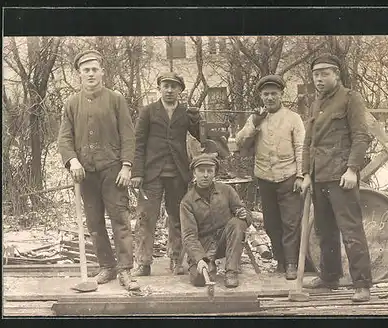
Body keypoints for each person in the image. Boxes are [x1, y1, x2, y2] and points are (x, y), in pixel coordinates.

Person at [58, 50, 139, 291]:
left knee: (120, 220)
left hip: (113, 171)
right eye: (86, 70)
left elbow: (128, 134)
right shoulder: (71, 104)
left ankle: (125, 270)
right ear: (79, 74)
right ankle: (107, 267)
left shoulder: (116, 99)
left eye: (95, 69)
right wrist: (72, 161)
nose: (91, 73)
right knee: (94, 222)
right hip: (85, 173)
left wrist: (126, 166)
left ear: (102, 72)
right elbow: (64, 139)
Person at [300, 53, 373, 302]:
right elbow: (309, 142)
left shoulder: (350, 99)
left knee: (351, 231)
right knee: (325, 231)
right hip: (319, 176)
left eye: (324, 74)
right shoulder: (315, 103)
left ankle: (362, 284)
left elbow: (361, 136)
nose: (319, 79)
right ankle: (330, 276)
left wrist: (352, 169)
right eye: (315, 74)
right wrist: (306, 173)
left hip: (342, 177)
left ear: (336, 75)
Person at [130, 72, 201, 276]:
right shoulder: (148, 111)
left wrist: (196, 120)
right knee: (145, 217)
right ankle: (143, 263)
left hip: (178, 174)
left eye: (173, 86)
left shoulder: (185, 113)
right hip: (151, 174)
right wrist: (137, 172)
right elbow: (139, 143)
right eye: (165, 86)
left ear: (180, 90)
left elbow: (199, 135)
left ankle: (176, 260)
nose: (169, 90)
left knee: (177, 218)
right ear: (159, 88)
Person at [235, 75, 305, 280]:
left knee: (291, 222)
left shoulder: (293, 118)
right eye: (266, 94)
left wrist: (300, 176)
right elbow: (240, 144)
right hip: (265, 178)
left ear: (281, 94)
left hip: (289, 177)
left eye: (274, 93)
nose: (270, 98)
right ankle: (281, 262)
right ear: (260, 96)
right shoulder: (255, 118)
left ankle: (292, 263)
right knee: (271, 223)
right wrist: (254, 124)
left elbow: (301, 148)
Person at [180, 153, 252, 288]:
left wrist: (243, 214)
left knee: (237, 223)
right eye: (201, 171)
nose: (205, 175)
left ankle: (231, 271)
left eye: (209, 171)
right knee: (200, 280)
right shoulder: (187, 202)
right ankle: (208, 265)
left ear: (215, 173)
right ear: (194, 173)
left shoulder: (226, 190)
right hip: (203, 245)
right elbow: (189, 236)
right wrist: (199, 258)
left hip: (225, 241)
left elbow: (245, 213)